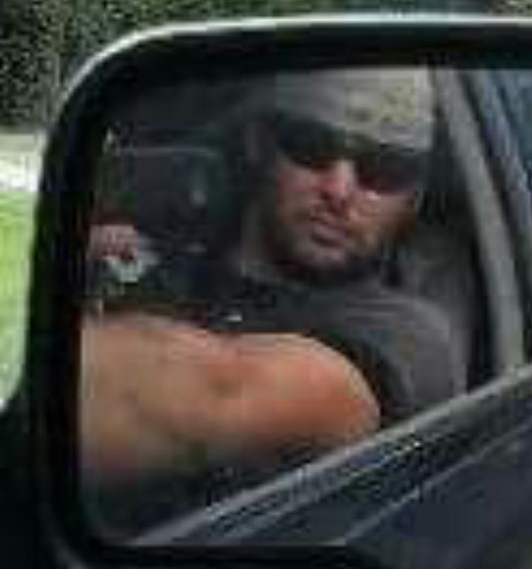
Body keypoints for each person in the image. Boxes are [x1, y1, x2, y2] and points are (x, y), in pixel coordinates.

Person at [82, 68, 466, 504]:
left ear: (414, 197)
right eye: (311, 145)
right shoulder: (146, 255)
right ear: (259, 142)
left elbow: (214, 398)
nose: (339, 190)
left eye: (384, 169)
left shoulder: (406, 339)